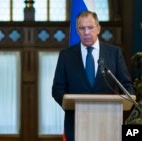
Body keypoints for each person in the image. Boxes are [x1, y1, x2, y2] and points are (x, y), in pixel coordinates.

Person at [52, 11, 134, 141]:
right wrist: (71, 104)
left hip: (109, 122)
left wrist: (122, 104)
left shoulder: (114, 53)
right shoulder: (66, 56)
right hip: (75, 123)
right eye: (82, 28)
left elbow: (127, 86)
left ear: (98, 28)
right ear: (77, 31)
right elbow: (57, 89)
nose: (86, 32)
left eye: (90, 27)